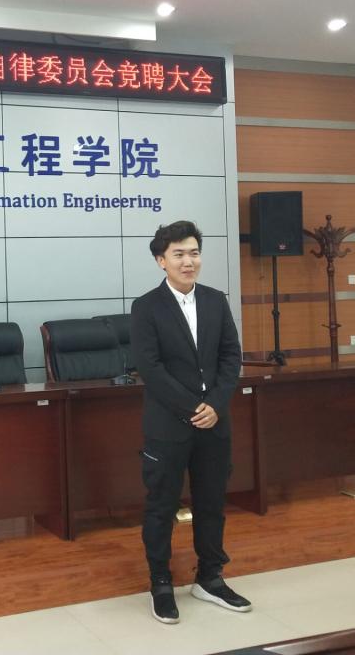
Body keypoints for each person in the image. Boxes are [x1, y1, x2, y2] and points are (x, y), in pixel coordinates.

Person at [130, 220, 252, 624]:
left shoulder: (216, 300)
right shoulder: (146, 307)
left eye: (194, 253)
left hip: (214, 424)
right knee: (162, 505)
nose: (189, 261)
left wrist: (214, 404)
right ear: (160, 260)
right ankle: (161, 582)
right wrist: (193, 407)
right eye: (179, 254)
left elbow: (231, 357)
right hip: (168, 426)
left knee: (211, 503)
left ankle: (210, 577)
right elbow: (150, 368)